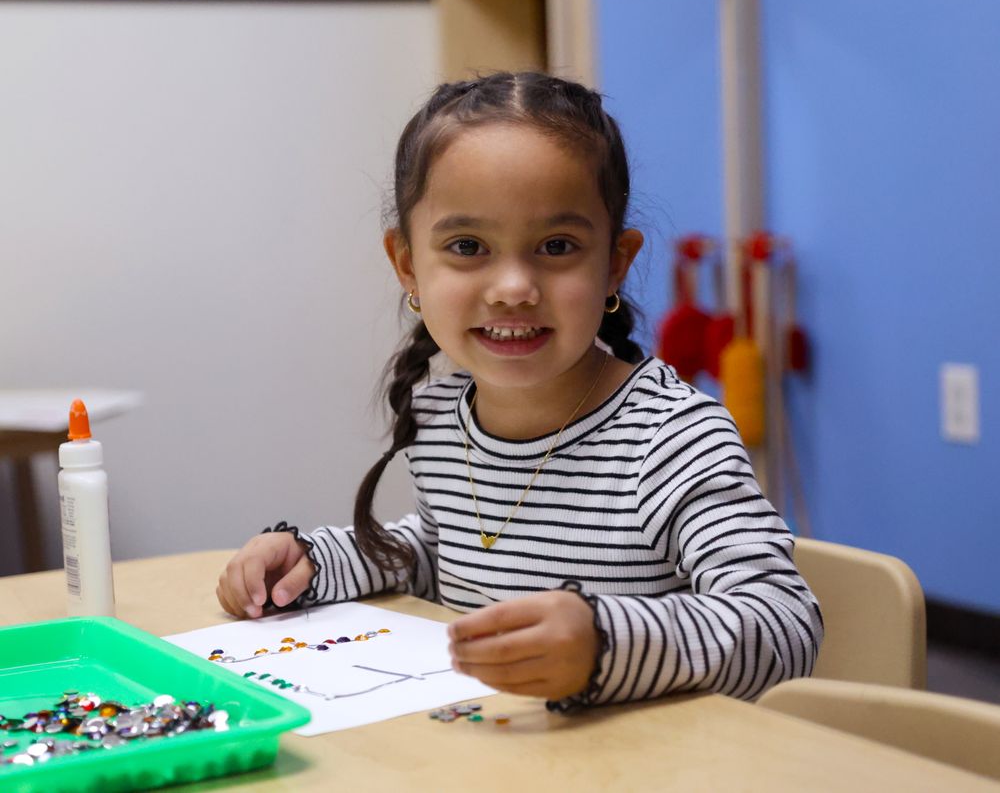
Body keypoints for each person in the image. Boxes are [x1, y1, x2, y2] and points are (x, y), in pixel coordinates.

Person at [216, 72, 823, 709]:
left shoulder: (671, 437)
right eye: (468, 246)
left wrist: (604, 644)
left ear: (615, 262)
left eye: (556, 246)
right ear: (407, 266)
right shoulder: (441, 414)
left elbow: (783, 626)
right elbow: (441, 550)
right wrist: (313, 565)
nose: (512, 286)